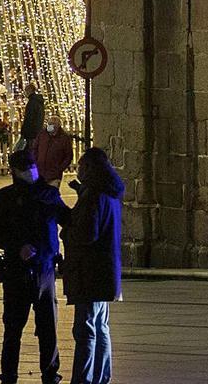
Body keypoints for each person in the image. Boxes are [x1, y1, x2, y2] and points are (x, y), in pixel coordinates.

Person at [0, 148, 70, 384]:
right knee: (12, 327)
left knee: (48, 327)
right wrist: (16, 246)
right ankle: (9, 374)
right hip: (15, 271)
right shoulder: (3, 198)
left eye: (32, 167)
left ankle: (50, 373)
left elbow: (68, 220)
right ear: (14, 171)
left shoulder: (48, 195)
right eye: (25, 168)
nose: (30, 172)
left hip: (45, 269)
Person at [62, 148, 124, 384]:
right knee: (100, 326)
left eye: (80, 166)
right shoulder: (109, 192)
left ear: (89, 168)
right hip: (105, 272)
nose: (77, 170)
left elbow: (87, 233)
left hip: (89, 272)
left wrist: (66, 229)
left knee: (86, 329)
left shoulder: (94, 196)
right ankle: (101, 376)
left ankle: (84, 379)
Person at [32, 115, 74, 188]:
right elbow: (35, 149)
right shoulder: (42, 135)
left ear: (58, 126)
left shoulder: (64, 138)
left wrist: (60, 168)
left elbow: (68, 155)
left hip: (54, 174)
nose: (51, 126)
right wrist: (36, 162)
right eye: (50, 123)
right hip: (40, 172)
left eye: (53, 124)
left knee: (51, 194)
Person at [18, 82, 45, 151]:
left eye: (26, 90)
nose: (25, 93)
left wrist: (24, 131)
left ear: (30, 90)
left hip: (31, 132)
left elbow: (29, 118)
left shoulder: (32, 102)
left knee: (30, 150)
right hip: (37, 130)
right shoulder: (39, 102)